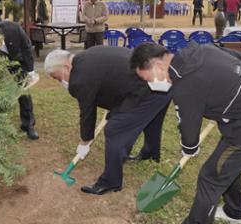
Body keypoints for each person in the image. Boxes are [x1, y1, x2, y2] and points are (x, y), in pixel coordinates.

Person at [130, 42, 241, 224]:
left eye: (148, 79)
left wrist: (189, 148)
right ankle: (235, 212)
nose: (151, 85)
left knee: (210, 177)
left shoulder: (185, 85)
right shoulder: (201, 49)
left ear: (158, 65)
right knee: (226, 166)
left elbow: (189, 129)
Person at [44, 46, 172, 195]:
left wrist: (85, 141)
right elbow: (110, 80)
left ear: (66, 67)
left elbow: (87, 111)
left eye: (57, 77)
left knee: (114, 129)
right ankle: (150, 153)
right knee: (151, 118)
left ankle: (110, 181)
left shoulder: (78, 80)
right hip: (164, 83)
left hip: (148, 89)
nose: (59, 81)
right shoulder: (86, 55)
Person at [0, 20, 39, 140]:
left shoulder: (14, 30)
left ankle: (28, 125)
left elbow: (27, 48)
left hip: (16, 60)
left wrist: (30, 71)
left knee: (23, 92)